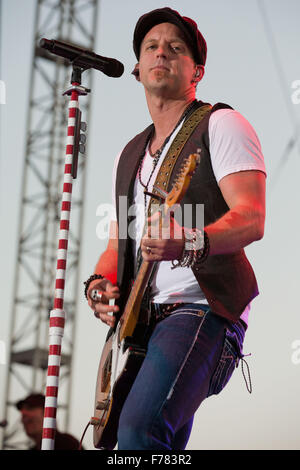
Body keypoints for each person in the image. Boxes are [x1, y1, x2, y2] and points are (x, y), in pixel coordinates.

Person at [84, 7, 266, 450]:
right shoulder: (127, 155)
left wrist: (189, 240)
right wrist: (99, 284)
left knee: (140, 433)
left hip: (203, 308)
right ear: (137, 69)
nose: (161, 51)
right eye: (151, 46)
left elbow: (252, 217)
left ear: (196, 70)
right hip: (141, 324)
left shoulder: (221, 124)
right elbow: (117, 244)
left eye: (175, 47)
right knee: (120, 443)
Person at [16, 393, 81, 450]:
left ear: (47, 413)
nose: (23, 414)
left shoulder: (68, 444)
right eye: (22, 412)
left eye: (30, 408)